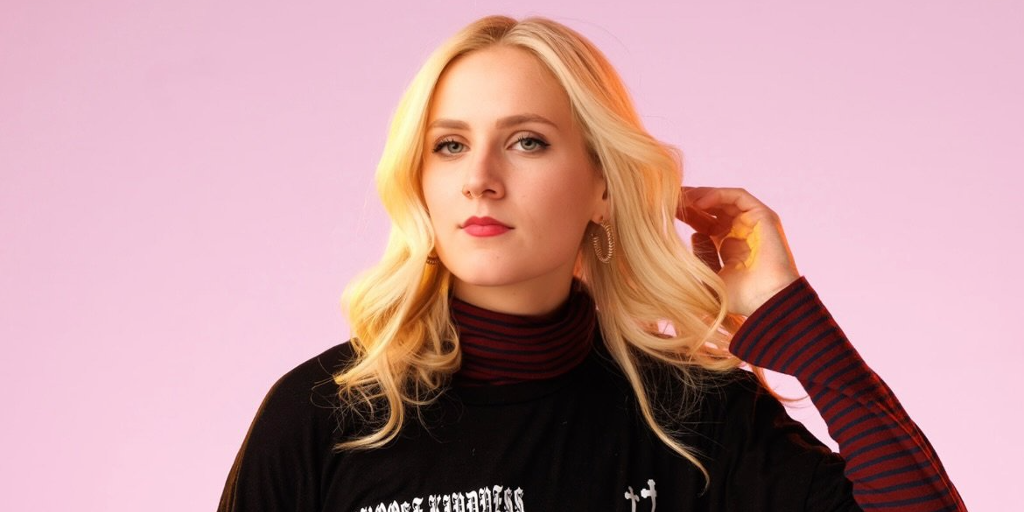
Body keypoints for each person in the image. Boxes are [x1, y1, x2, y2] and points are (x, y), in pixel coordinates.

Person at [218, 15, 966, 511]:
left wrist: (789, 317)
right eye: (449, 145)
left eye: (527, 141)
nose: (479, 177)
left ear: (602, 185)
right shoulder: (324, 417)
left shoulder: (693, 416)